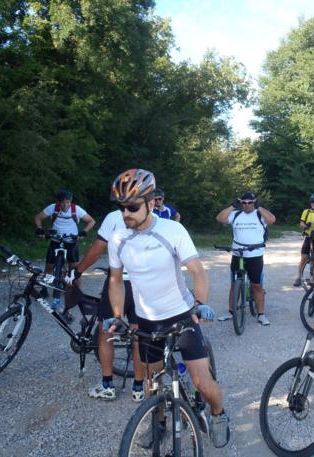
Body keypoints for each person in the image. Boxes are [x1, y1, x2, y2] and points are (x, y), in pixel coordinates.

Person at [106, 168, 230, 448]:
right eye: (121, 207)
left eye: (132, 207)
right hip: (147, 320)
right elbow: (115, 280)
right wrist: (117, 316)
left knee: (202, 382)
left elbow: (197, 271)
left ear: (151, 203)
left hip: (181, 316)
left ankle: (219, 413)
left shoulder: (172, 230)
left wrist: (200, 304)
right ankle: (159, 422)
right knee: (153, 384)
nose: (126, 213)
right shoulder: (118, 238)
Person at [64, 209, 145, 402]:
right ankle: (139, 388)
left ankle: (107, 385)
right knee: (139, 336)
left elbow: (97, 248)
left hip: (118, 283)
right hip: (143, 284)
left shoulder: (114, 217)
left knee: (106, 333)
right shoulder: (153, 217)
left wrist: (77, 271)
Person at [215, 191, 276, 326]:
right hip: (238, 254)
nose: (247, 205)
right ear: (240, 203)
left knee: (256, 285)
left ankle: (261, 314)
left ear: (254, 203)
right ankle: (231, 312)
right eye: (244, 202)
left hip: (255, 255)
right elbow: (220, 218)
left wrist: (259, 207)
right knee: (234, 285)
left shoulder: (259, 214)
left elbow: (272, 220)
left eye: (250, 202)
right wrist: (232, 206)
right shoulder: (236, 214)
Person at [34, 190, 95, 309]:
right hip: (55, 240)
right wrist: (40, 229)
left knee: (74, 269)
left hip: (71, 241)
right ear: (58, 202)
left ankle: (77, 293)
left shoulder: (76, 209)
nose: (66, 205)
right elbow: (38, 217)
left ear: (71, 201)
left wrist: (84, 232)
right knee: (49, 266)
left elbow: (91, 221)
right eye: (62, 202)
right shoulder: (53, 208)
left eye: (68, 202)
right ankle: (44, 288)